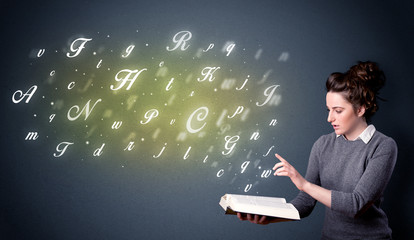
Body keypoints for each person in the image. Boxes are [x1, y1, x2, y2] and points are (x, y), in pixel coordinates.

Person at [237, 61, 398, 239]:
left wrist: (304, 184)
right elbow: (305, 203)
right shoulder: (322, 145)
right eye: (328, 110)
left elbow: (356, 205)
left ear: (360, 109)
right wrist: (270, 217)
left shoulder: (383, 146)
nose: (330, 118)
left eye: (338, 110)